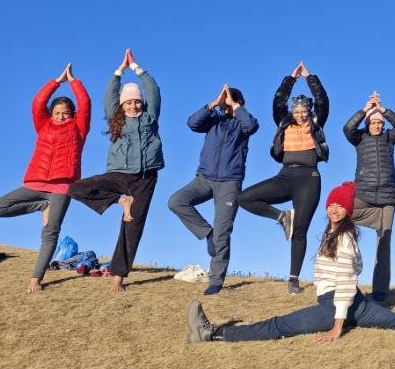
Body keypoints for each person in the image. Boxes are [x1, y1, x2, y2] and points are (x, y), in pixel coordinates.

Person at [186, 181, 395, 343]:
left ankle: (211, 334)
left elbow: (348, 279)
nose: (334, 209)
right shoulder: (333, 233)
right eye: (332, 204)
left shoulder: (345, 237)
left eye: (340, 205)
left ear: (348, 210)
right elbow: (351, 271)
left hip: (338, 303)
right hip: (353, 304)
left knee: (279, 325)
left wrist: (337, 325)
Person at [68, 49, 163, 293]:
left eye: (136, 101)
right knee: (76, 188)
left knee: (133, 228)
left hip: (145, 178)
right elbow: (109, 95)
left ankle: (118, 277)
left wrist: (137, 68)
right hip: (118, 175)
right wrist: (119, 70)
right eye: (128, 102)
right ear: (122, 105)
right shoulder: (116, 118)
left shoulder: (150, 117)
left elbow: (153, 89)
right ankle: (121, 201)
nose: (133, 105)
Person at [0, 63, 91, 293]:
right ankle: (40, 206)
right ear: (51, 114)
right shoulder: (43, 124)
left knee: (49, 232)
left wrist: (74, 82)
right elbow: (37, 103)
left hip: (62, 188)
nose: (61, 116)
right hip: (35, 183)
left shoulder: (79, 128)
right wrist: (56, 81)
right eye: (57, 112)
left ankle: (36, 278)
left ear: (72, 114)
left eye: (65, 112)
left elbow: (85, 104)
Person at [238, 61, 329, 295]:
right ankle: (281, 217)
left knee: (300, 230)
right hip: (285, 176)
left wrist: (310, 78)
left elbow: (323, 100)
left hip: (309, 178)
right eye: (296, 111)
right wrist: (290, 78)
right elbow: (278, 100)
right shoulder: (283, 122)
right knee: (245, 198)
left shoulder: (316, 122)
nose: (299, 115)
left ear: (309, 111)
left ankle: (293, 279)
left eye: (303, 111)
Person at [168, 84, 259, 295]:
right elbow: (192, 123)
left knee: (223, 231)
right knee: (176, 201)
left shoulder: (243, 124)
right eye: (226, 102)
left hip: (230, 183)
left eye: (232, 102)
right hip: (204, 179)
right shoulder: (213, 120)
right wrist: (213, 105)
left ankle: (216, 280)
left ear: (239, 104)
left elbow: (252, 126)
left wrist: (235, 106)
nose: (227, 106)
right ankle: (207, 233)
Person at [343, 91, 395, 302]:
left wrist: (383, 110)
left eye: (380, 122)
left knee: (384, 241)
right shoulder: (359, 138)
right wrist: (365, 110)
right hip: (364, 192)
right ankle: (345, 274)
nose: (377, 125)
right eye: (373, 122)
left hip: (388, 196)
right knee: (343, 215)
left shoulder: (389, 139)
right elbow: (348, 128)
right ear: (368, 124)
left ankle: (380, 291)